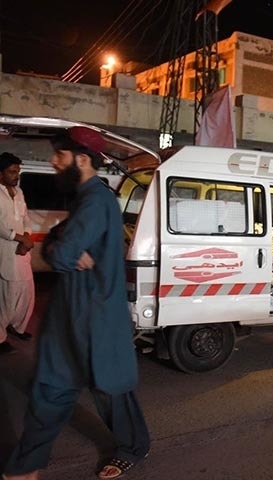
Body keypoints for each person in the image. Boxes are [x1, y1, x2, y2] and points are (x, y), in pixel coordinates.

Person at [3, 127, 150, 480]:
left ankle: (134, 447)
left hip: (96, 319)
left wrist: (58, 247)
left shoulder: (96, 200)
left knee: (111, 392)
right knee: (50, 391)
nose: (53, 162)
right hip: (70, 317)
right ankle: (26, 467)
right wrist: (60, 245)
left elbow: (61, 252)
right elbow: (60, 245)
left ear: (81, 159)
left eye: (60, 155)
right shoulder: (86, 198)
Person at [0, 152, 35, 354]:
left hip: (21, 252)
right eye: (12, 172)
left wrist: (26, 238)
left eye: (18, 171)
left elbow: (26, 218)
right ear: (0, 173)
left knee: (26, 293)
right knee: (6, 297)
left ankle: (17, 327)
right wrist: (19, 238)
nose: (16, 175)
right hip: (4, 252)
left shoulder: (19, 192)